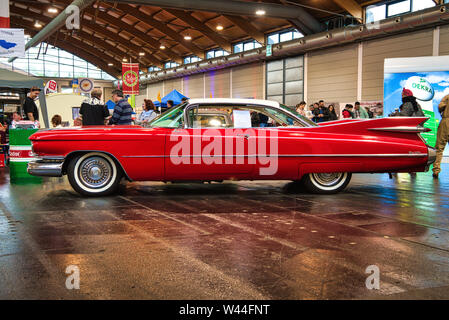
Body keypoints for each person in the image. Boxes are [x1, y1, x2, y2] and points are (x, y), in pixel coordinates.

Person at [432, 94, 449, 179]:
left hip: (446, 122)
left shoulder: (447, 96)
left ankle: (436, 170)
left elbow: (440, 106)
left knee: (439, 148)